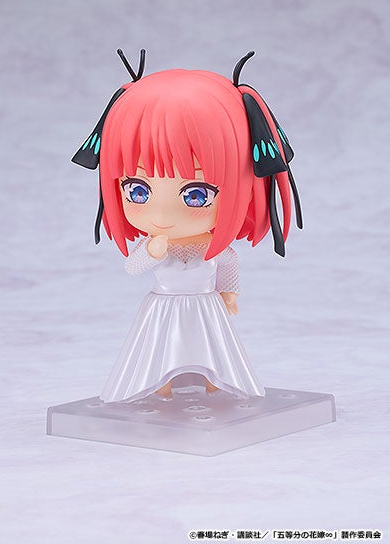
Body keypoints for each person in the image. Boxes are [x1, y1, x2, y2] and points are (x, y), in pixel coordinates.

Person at [72, 50, 302, 403]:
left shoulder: (211, 248)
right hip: (162, 308)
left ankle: (215, 383)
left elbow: (228, 264)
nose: (162, 213)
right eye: (138, 190)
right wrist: (150, 252)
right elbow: (132, 268)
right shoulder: (156, 245)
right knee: (159, 350)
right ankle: (160, 386)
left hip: (206, 306)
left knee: (212, 347)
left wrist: (229, 293)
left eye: (196, 194)